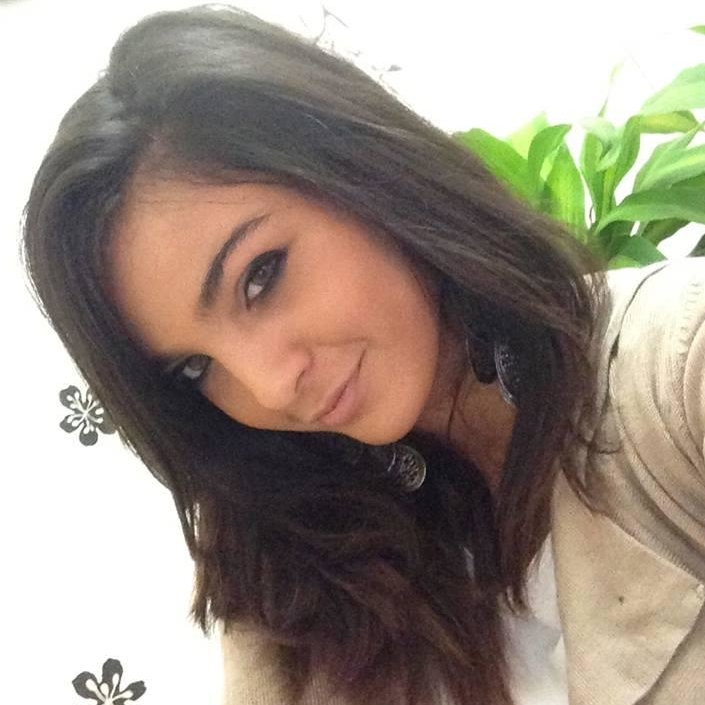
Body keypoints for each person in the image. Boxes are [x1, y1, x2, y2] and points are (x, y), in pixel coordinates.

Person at [21, 6, 705, 705]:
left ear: (361, 171)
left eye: (260, 277)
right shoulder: (278, 566)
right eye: (195, 368)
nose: (269, 387)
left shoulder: (678, 365)